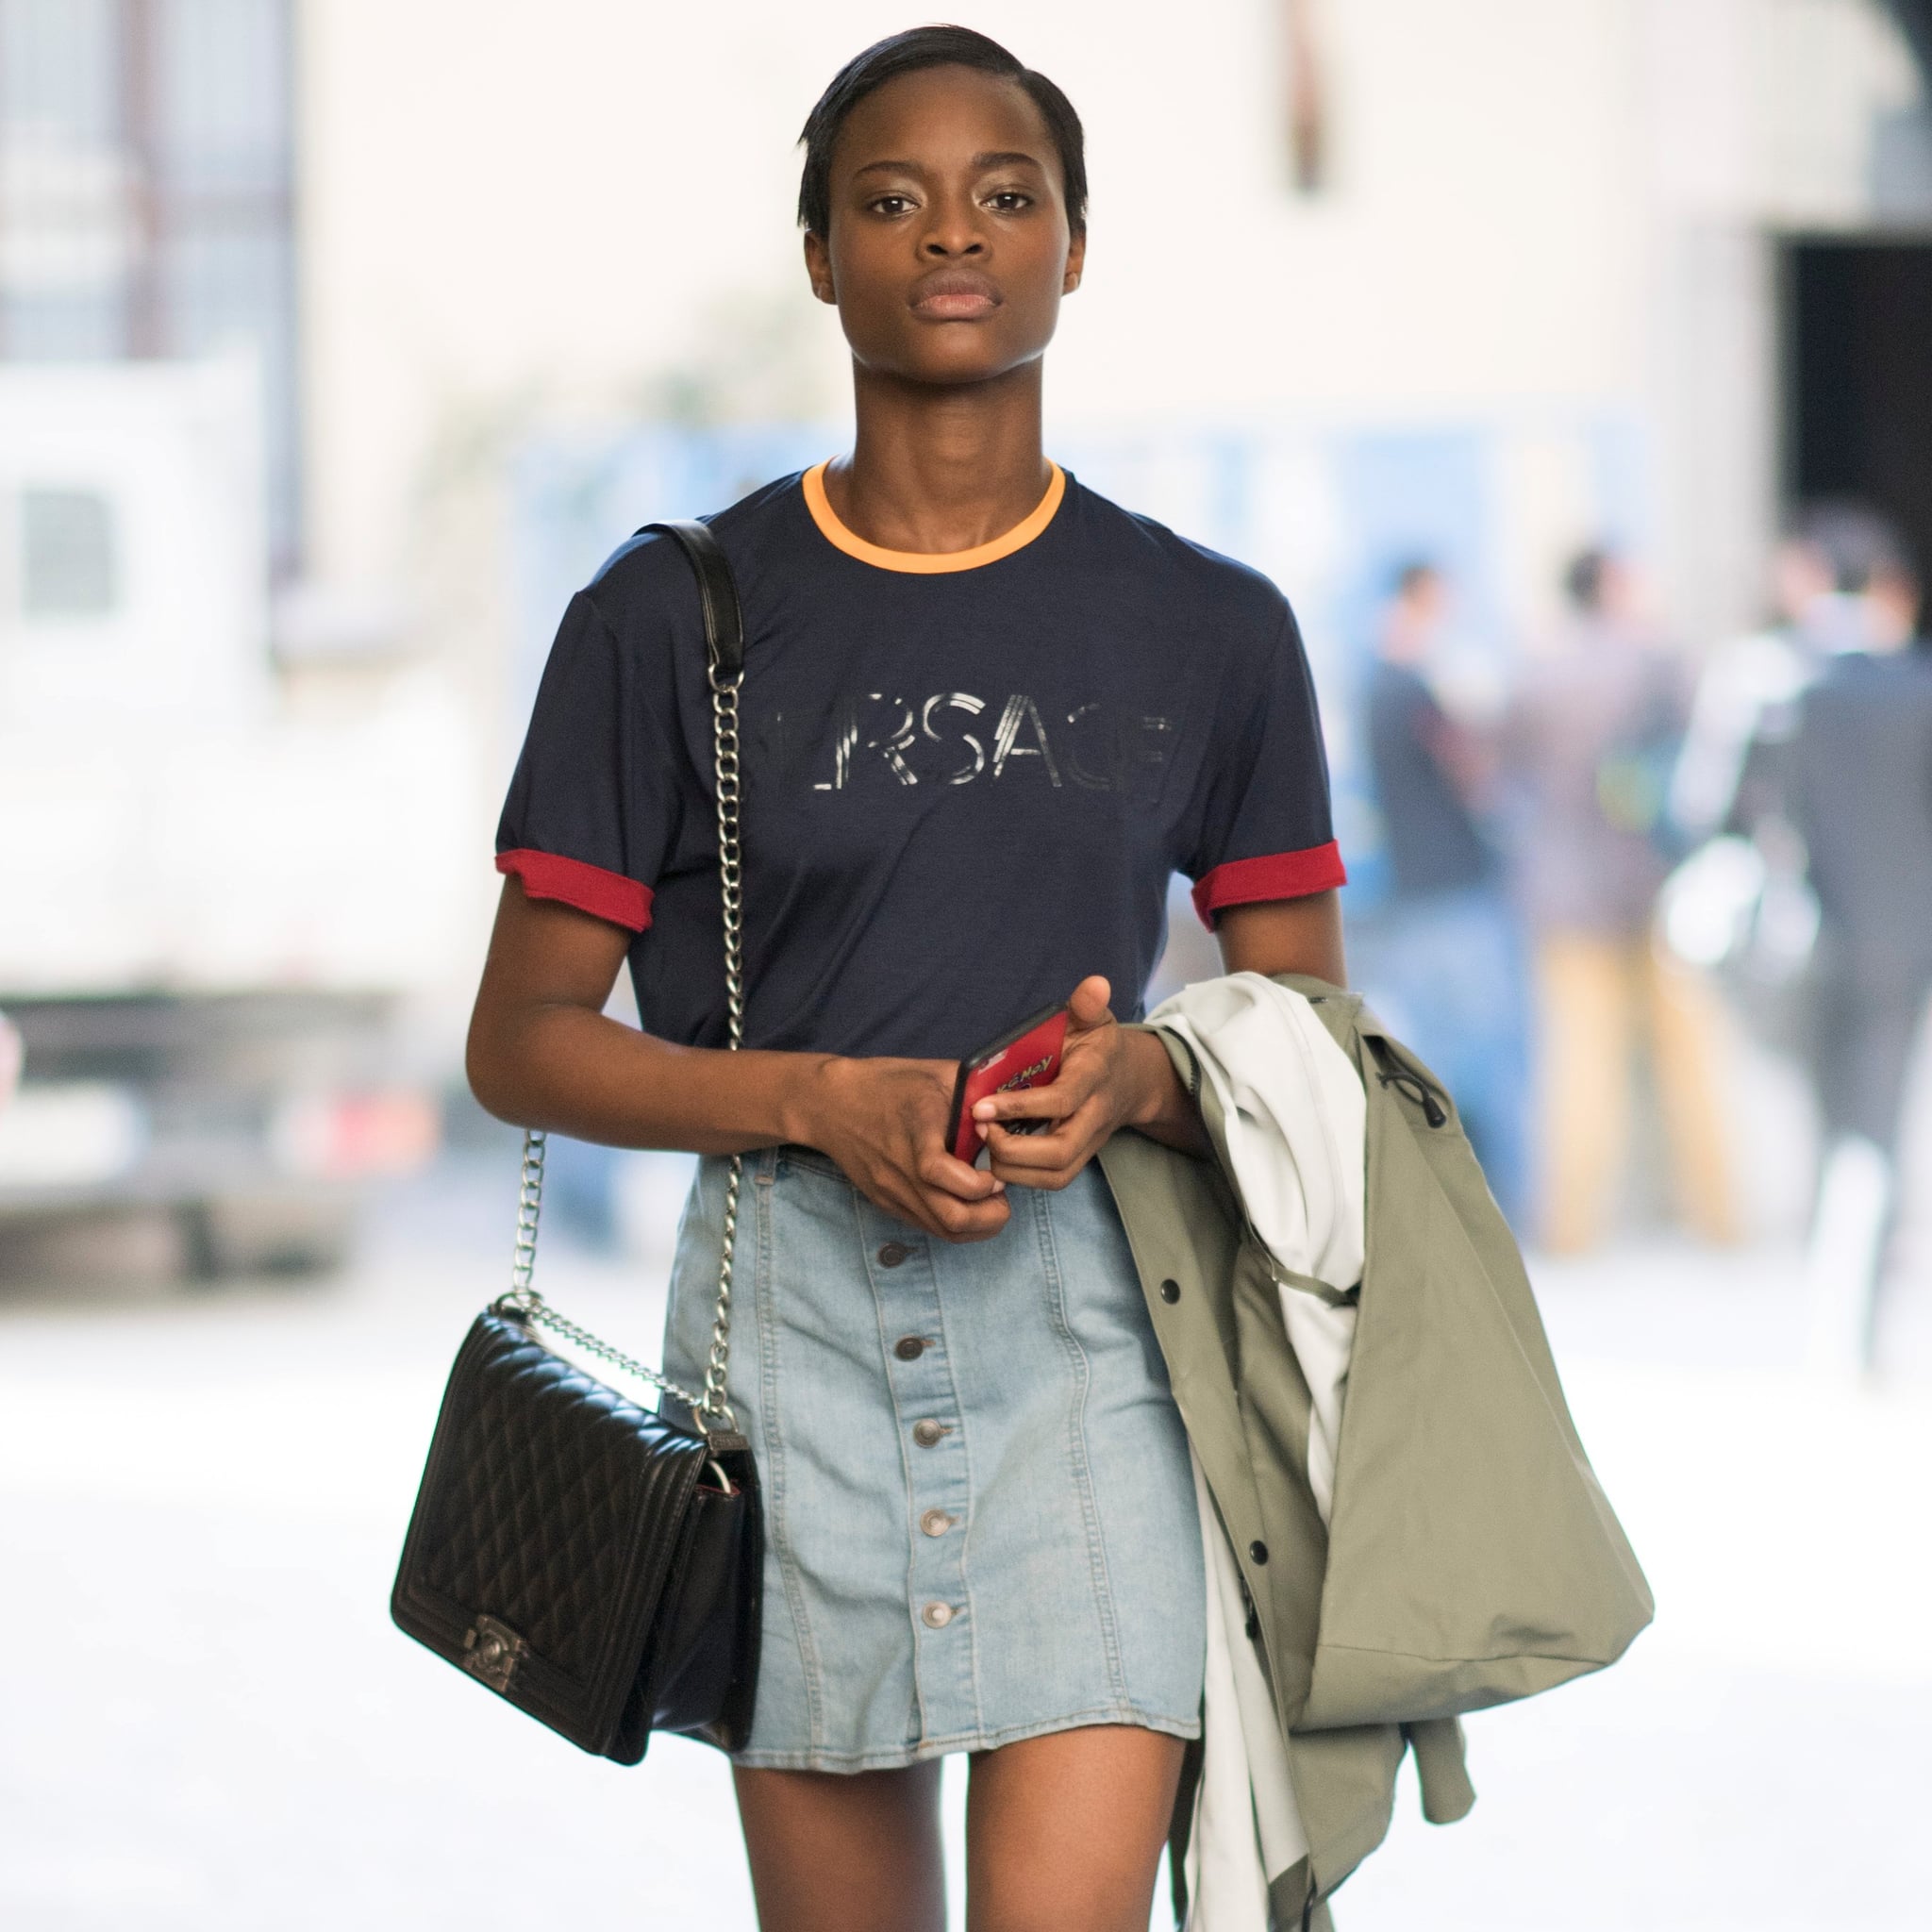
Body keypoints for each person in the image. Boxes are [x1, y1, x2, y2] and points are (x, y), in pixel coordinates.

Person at [464, 29, 1348, 1932]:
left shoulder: (1210, 627)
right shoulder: (664, 615)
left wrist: (1147, 1083)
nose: (952, 235)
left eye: (1004, 195)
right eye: (891, 199)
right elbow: (517, 1045)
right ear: (820, 255)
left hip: (1100, 1345)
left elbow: (1312, 1034)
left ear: (1075, 246)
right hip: (782, 1361)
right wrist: (812, 1096)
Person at [1502, 547, 1736, 1253]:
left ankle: (1571, 1231)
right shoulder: (1661, 662)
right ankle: (1720, 1220)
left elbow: (1506, 768)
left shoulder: (1537, 669)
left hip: (1566, 892)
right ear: (1613, 586)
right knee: (1693, 1064)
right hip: (1659, 886)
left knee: (1579, 1069)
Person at [1777, 523, 1932, 1376]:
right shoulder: (1917, 689)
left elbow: (1732, 812)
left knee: (1828, 1125)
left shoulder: (1790, 687)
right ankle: (1857, 1327)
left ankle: (1825, 1305)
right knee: (1875, 1131)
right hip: (1902, 948)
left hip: (1807, 944)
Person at [1358, 560, 1529, 1224]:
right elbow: (1473, 776)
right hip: (1453, 894)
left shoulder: (1373, 684)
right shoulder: (1415, 688)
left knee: (1438, 1056)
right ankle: (1493, 1207)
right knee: (1481, 1057)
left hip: (1413, 893)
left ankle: (1452, 1210)